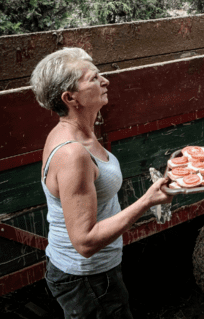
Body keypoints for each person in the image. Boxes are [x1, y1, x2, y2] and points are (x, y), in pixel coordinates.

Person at [30, 47, 173, 318]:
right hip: (86, 279)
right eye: (94, 78)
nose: (105, 81)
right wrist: (148, 200)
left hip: (94, 274)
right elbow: (84, 242)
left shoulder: (78, 131)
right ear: (70, 97)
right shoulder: (73, 153)